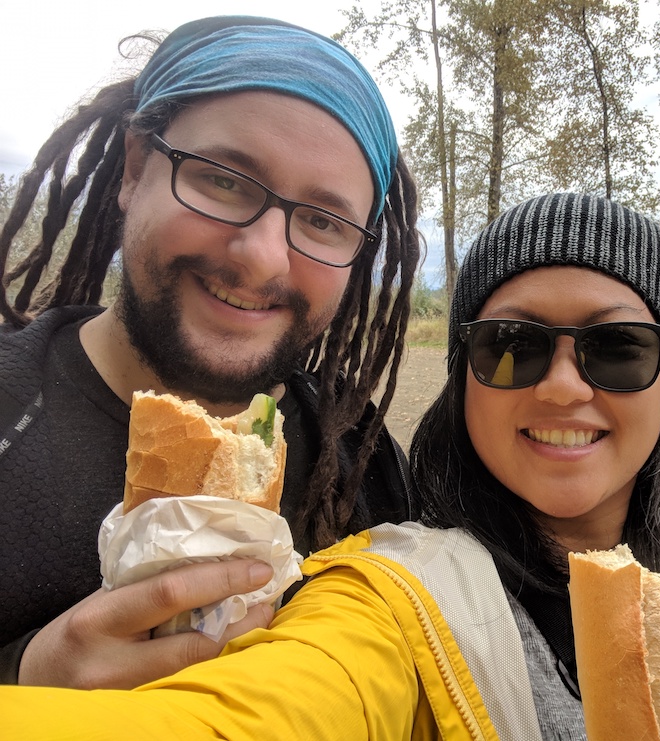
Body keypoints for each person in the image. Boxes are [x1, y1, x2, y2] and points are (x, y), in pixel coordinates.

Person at [0, 193, 660, 741]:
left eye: (618, 347)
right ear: (463, 377)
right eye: (513, 345)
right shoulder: (393, 602)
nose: (564, 386)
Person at [0, 16, 421, 689]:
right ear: (136, 169)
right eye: (224, 180)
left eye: (322, 221)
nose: (261, 259)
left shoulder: (364, 468)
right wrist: (22, 682)